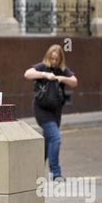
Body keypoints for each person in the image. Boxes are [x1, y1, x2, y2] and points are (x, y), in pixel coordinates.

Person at [24, 44, 78, 180]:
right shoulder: (43, 67)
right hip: (41, 109)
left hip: (56, 111)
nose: (54, 62)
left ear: (60, 59)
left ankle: (34, 171)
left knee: (48, 141)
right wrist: (45, 75)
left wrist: (61, 78)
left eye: (57, 59)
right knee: (55, 138)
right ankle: (56, 173)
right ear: (48, 57)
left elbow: (74, 82)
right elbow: (27, 74)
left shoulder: (62, 70)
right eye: (52, 58)